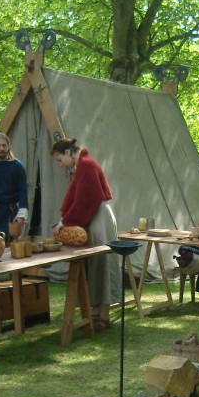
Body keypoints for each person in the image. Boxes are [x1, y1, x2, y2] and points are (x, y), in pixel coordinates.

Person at [51, 137, 119, 331]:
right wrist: (64, 220)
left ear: (67, 152)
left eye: (59, 159)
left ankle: (103, 317)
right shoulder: (81, 166)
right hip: (94, 217)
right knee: (94, 266)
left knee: (101, 265)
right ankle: (95, 315)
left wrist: (65, 223)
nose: (60, 164)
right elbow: (75, 197)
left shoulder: (87, 165)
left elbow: (86, 200)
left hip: (99, 218)